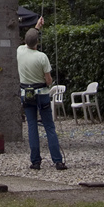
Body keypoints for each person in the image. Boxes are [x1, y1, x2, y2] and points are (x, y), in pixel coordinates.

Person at [17, 26, 67, 171]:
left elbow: (27, 42)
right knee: (49, 127)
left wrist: (36, 27)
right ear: (37, 42)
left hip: (26, 94)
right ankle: (57, 161)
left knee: (32, 126)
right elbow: (49, 80)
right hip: (42, 94)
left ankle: (36, 161)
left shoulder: (20, 51)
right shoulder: (42, 57)